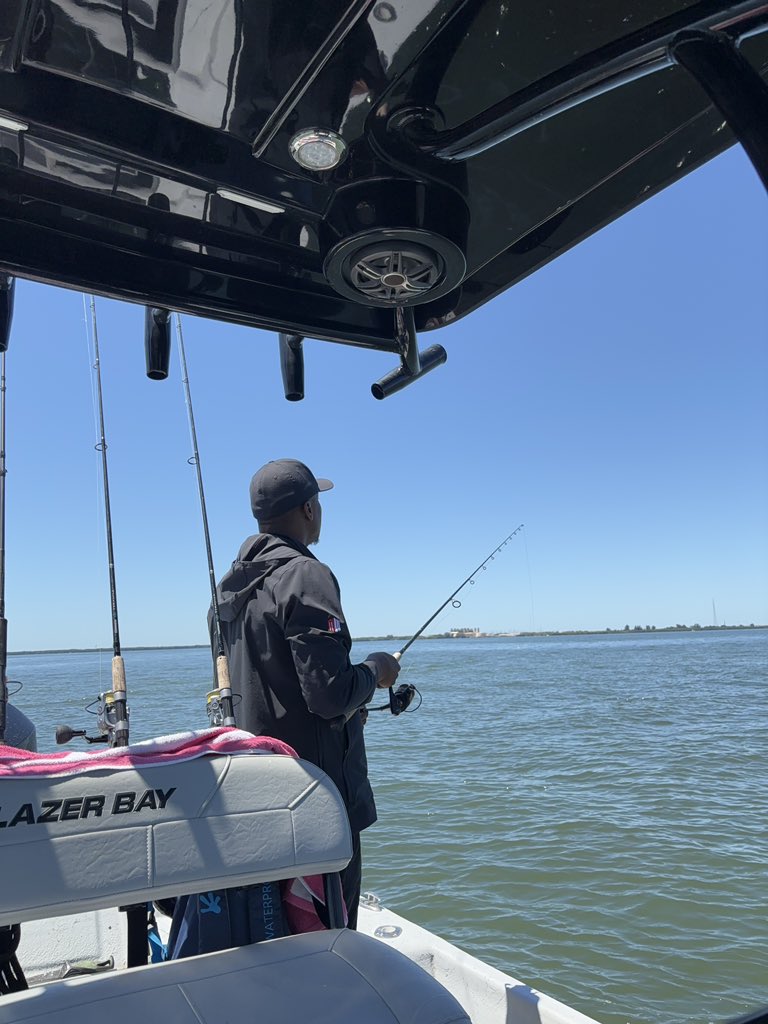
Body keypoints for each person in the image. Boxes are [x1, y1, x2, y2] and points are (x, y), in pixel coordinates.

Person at [212, 458, 401, 928]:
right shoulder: (305, 575)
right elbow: (330, 695)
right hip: (318, 799)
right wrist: (377, 670)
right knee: (329, 934)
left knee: (274, 928)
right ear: (309, 509)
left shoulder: (228, 589)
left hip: (258, 791)